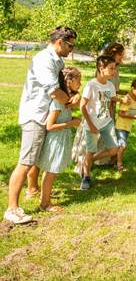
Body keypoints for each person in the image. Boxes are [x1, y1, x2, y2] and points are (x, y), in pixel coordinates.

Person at [3, 26, 79, 224]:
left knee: (36, 160)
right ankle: (12, 209)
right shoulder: (44, 59)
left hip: (45, 115)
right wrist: (71, 102)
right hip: (35, 116)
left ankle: (37, 196)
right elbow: (54, 92)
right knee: (26, 161)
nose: (72, 49)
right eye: (70, 45)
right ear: (59, 42)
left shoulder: (58, 60)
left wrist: (73, 95)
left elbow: (63, 88)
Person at [37, 67, 82, 212]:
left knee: (53, 170)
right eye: (78, 80)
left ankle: (45, 197)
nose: (80, 84)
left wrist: (72, 118)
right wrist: (71, 123)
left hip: (62, 138)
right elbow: (49, 126)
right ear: (69, 81)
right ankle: (45, 203)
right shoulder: (58, 102)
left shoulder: (66, 99)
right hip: (55, 140)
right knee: (51, 171)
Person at [79, 55, 120, 190]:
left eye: (114, 68)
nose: (114, 71)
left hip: (106, 122)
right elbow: (82, 106)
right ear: (101, 68)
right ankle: (86, 176)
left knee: (114, 149)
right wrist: (91, 125)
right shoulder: (91, 85)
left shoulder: (110, 85)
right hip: (92, 124)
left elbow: (111, 99)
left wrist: (124, 100)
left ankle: (91, 160)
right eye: (111, 68)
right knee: (90, 151)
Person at [115, 78, 136, 171]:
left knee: (120, 147)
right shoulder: (127, 98)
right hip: (121, 126)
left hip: (127, 126)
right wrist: (134, 117)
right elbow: (121, 113)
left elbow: (130, 111)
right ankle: (119, 165)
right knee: (123, 146)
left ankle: (114, 162)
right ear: (133, 88)